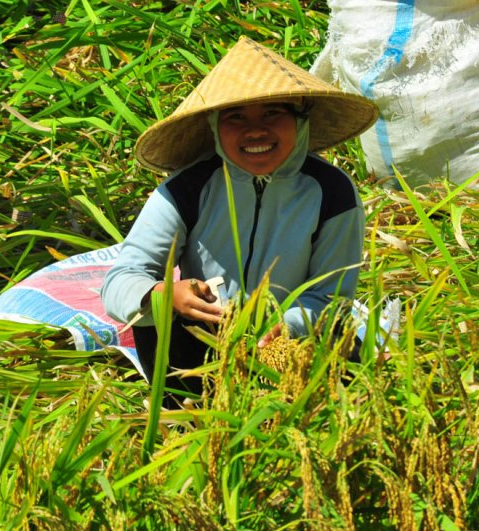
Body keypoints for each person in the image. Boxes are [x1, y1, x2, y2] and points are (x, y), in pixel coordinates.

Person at [101, 36, 378, 403]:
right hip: (203, 343)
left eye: (272, 113)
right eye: (236, 117)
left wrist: (289, 326)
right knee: (159, 317)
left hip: (287, 344)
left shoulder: (332, 193)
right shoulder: (187, 188)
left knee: (347, 354)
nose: (255, 131)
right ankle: (181, 410)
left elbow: (332, 296)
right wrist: (165, 294)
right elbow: (120, 281)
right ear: (215, 126)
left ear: (300, 121)